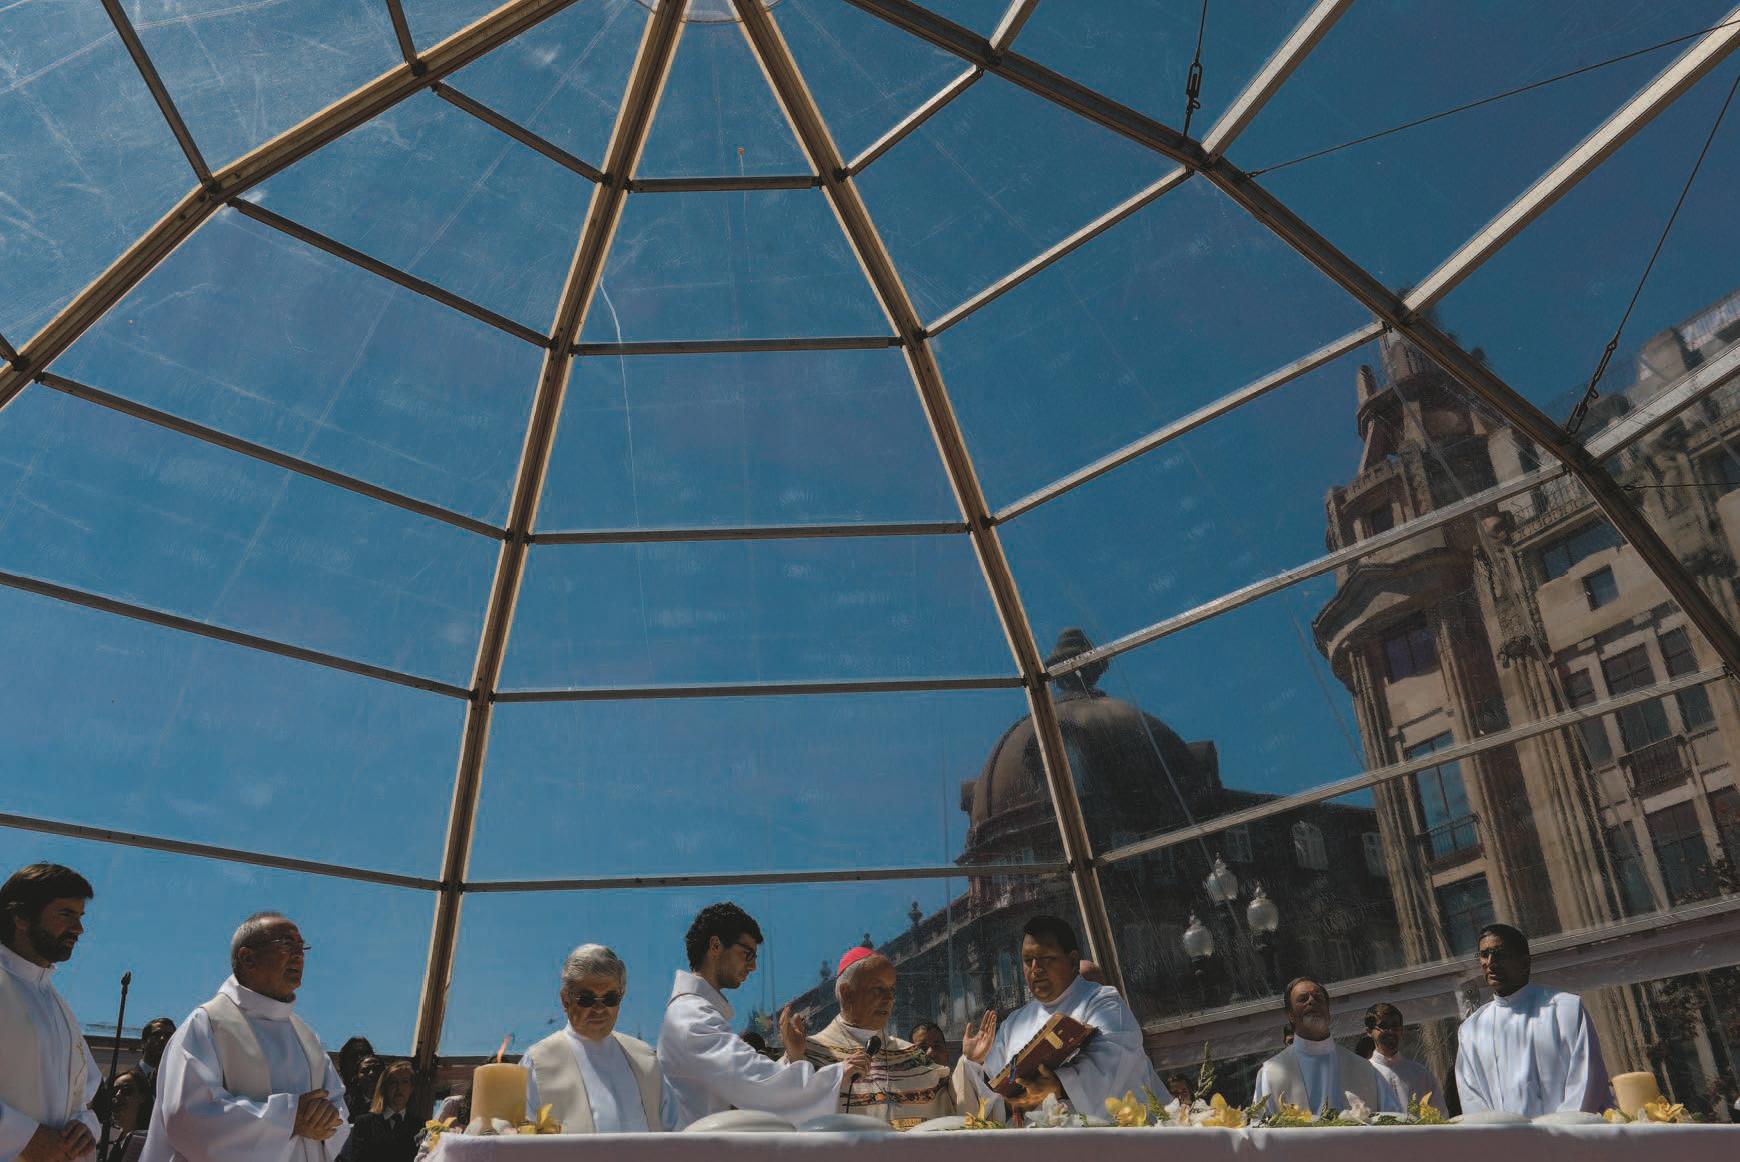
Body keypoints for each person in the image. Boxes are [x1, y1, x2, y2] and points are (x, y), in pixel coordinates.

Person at [141, 912, 348, 1162]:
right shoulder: (207, 1024)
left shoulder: (305, 1036)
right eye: (286, 944)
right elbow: (188, 1117)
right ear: (248, 958)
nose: (298, 955)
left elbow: (338, 1107)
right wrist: (289, 1118)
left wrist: (327, 1121)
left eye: (301, 947)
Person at [658, 903, 866, 1128]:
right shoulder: (690, 1016)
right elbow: (751, 1080)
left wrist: (792, 1056)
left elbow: (746, 1080)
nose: (753, 966)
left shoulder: (692, 1012)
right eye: (747, 954)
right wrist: (835, 1076)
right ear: (715, 946)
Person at [955, 916, 1158, 1119]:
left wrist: (1059, 1085)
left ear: (1072, 961)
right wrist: (976, 1062)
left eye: (1046, 958)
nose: (1035, 969)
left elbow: (1116, 1064)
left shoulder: (1102, 1003)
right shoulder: (1014, 1023)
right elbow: (993, 1094)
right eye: (1028, 960)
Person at [0, 862, 100, 1162]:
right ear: (21, 917)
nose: (78, 929)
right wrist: (22, 1137)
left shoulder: (59, 1007)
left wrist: (85, 1127)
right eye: (66, 914)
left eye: (80, 916)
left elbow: (83, 1098)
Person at [1456, 923, 1609, 1116]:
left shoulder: (1566, 1009)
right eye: (1484, 954)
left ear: (1524, 962)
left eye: (1499, 954)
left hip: (1566, 1133)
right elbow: (1471, 1096)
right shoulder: (1471, 1029)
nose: (1491, 962)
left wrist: (1558, 1130)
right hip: (1502, 1135)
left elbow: (1586, 1081)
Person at [524, 945, 674, 1133]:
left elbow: (675, 1133)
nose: (599, 1009)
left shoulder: (645, 1059)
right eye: (587, 999)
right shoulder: (538, 1062)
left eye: (610, 998)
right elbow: (518, 1136)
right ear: (565, 1000)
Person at [801, 949, 954, 1126]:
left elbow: (953, 1106)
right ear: (847, 993)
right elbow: (792, 1106)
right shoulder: (808, 1055)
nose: (889, 999)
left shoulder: (913, 1056)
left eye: (892, 990)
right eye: (878, 989)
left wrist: (970, 1064)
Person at [1253, 978, 1396, 1114]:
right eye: (1303, 999)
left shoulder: (1365, 1069)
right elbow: (1260, 1128)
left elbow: (1394, 1120)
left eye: (1318, 997)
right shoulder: (1270, 1073)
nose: (1311, 1001)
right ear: (1290, 1015)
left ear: (1328, 1010)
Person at [1365, 1003, 1440, 1112]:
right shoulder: (1364, 1074)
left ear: (1401, 1030)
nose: (1390, 1031)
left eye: (1395, 1026)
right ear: (1369, 1032)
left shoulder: (1420, 1073)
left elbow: (1440, 1115)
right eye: (1383, 1026)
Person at [339, 1062, 415, 1162]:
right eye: (393, 1082)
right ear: (384, 1087)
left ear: (411, 1088)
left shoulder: (420, 1126)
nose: (399, 1088)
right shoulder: (364, 1123)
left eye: (405, 1082)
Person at [99, 1071, 151, 1162]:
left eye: (126, 1090)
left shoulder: (151, 1139)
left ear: (142, 1096)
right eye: (114, 1091)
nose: (118, 1095)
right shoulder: (102, 1138)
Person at [333, 1041, 373, 1121]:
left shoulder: (381, 1096)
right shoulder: (333, 1091)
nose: (359, 1058)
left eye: (364, 1054)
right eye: (353, 1055)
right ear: (344, 1060)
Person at [137, 1022, 177, 1096]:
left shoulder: (179, 1082)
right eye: (156, 1035)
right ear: (143, 1043)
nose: (162, 1039)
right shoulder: (122, 1080)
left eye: (168, 1036)